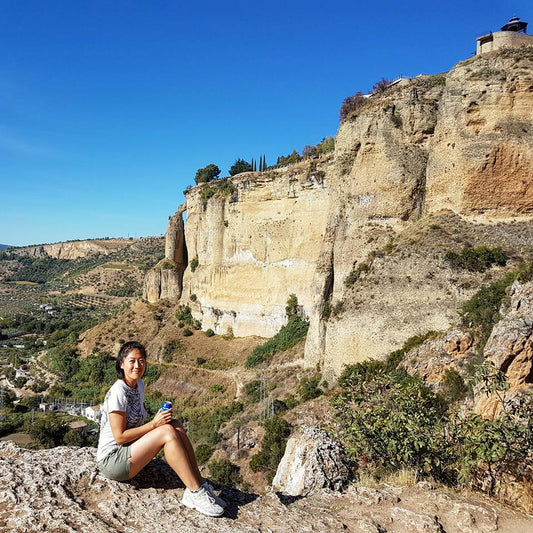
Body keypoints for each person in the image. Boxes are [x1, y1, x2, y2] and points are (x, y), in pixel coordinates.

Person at [96, 341, 226, 517]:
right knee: (166, 432)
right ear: (121, 364)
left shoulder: (138, 385)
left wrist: (160, 421)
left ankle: (199, 484)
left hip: (128, 450)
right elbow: (119, 437)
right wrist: (154, 424)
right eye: (132, 361)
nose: (137, 365)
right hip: (113, 461)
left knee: (176, 426)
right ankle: (194, 493)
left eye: (141, 361)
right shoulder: (119, 391)